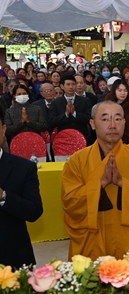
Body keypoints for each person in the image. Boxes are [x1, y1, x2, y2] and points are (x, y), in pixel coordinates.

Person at [61, 101, 129, 260]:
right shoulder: (77, 161)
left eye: (117, 119)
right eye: (105, 119)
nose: (112, 125)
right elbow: (70, 202)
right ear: (92, 124)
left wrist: (123, 184)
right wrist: (101, 183)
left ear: (124, 123)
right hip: (93, 240)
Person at [0, 110, 44, 268]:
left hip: (12, 257)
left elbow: (34, 211)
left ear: (3, 130)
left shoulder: (23, 167)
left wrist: (4, 197)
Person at [48, 75, 92, 143]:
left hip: (81, 136)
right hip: (63, 138)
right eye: (68, 84)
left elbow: (89, 118)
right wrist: (66, 114)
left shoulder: (85, 101)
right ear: (62, 86)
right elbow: (52, 121)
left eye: (73, 84)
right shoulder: (56, 103)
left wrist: (75, 113)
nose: (71, 87)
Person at [105, 79, 129, 146]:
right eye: (120, 90)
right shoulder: (107, 104)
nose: (123, 93)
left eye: (125, 90)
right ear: (114, 91)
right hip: (112, 144)